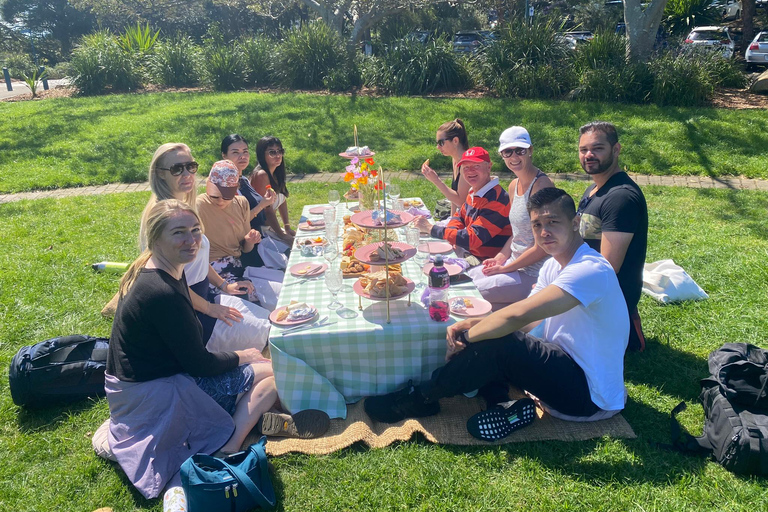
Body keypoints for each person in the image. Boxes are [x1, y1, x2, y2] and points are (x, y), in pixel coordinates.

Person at [365, 188, 629, 441]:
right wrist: (473, 324)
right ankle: (502, 404)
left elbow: (518, 316)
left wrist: (467, 337)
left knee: (500, 341)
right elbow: (531, 320)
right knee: (495, 334)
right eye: (537, 225)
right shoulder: (553, 265)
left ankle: (420, 398)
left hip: (589, 396)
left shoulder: (589, 269)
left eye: (553, 222)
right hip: (563, 369)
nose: (544, 232)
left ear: (575, 223)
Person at [141, 143, 270, 352]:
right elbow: (169, 284)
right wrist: (209, 308)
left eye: (190, 166)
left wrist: (224, 286)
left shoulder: (183, 207)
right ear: (160, 173)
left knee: (271, 321)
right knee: (267, 335)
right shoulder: (164, 217)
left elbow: (198, 259)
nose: (187, 174)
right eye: (177, 169)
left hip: (205, 298)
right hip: (190, 317)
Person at [576, 121, 648, 352]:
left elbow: (608, 268)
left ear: (616, 149)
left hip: (607, 299)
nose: (589, 155)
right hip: (587, 285)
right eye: (583, 149)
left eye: (597, 148)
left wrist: (562, 287)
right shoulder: (594, 190)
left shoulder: (620, 198)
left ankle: (628, 331)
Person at [470, 126, 555, 309]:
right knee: (465, 280)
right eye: (508, 152)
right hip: (513, 264)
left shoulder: (542, 186)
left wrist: (505, 268)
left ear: (530, 151)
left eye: (520, 150)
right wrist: (500, 258)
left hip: (534, 273)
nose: (514, 157)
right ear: (502, 155)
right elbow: (517, 233)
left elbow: (544, 246)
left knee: (471, 294)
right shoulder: (513, 185)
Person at [197, 160, 283, 309]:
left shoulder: (242, 203)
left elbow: (246, 249)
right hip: (214, 273)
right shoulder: (199, 205)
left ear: (236, 188)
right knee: (276, 297)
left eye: (226, 196)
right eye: (215, 196)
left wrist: (250, 240)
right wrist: (224, 285)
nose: (220, 201)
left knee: (284, 285)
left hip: (239, 267)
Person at [412, 147, 511, 263]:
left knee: (427, 262)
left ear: (489, 167)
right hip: (469, 252)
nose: (470, 171)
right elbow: (459, 216)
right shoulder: (475, 191)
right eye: (465, 167)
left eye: (476, 166)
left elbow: (472, 239)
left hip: (485, 261)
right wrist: (452, 234)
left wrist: (431, 229)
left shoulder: (497, 199)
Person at [222, 134, 290, 270]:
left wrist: (286, 226)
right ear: (224, 155)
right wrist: (262, 205)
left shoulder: (243, 181)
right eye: (235, 152)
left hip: (258, 240)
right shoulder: (226, 186)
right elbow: (237, 222)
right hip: (244, 250)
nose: (242, 156)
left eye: (245, 151)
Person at [420, 119, 471, 218]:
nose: (438, 147)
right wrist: (452, 220)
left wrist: (436, 180)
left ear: (455, 141)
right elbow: (454, 198)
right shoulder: (455, 159)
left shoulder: (467, 164)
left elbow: (460, 201)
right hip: (462, 217)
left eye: (441, 142)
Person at [250, 136, 294, 246]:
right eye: (272, 152)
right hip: (260, 232)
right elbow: (267, 211)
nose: (278, 155)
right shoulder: (261, 175)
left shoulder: (276, 172)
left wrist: (287, 227)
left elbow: (282, 200)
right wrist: (282, 235)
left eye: (280, 151)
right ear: (262, 155)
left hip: (271, 228)